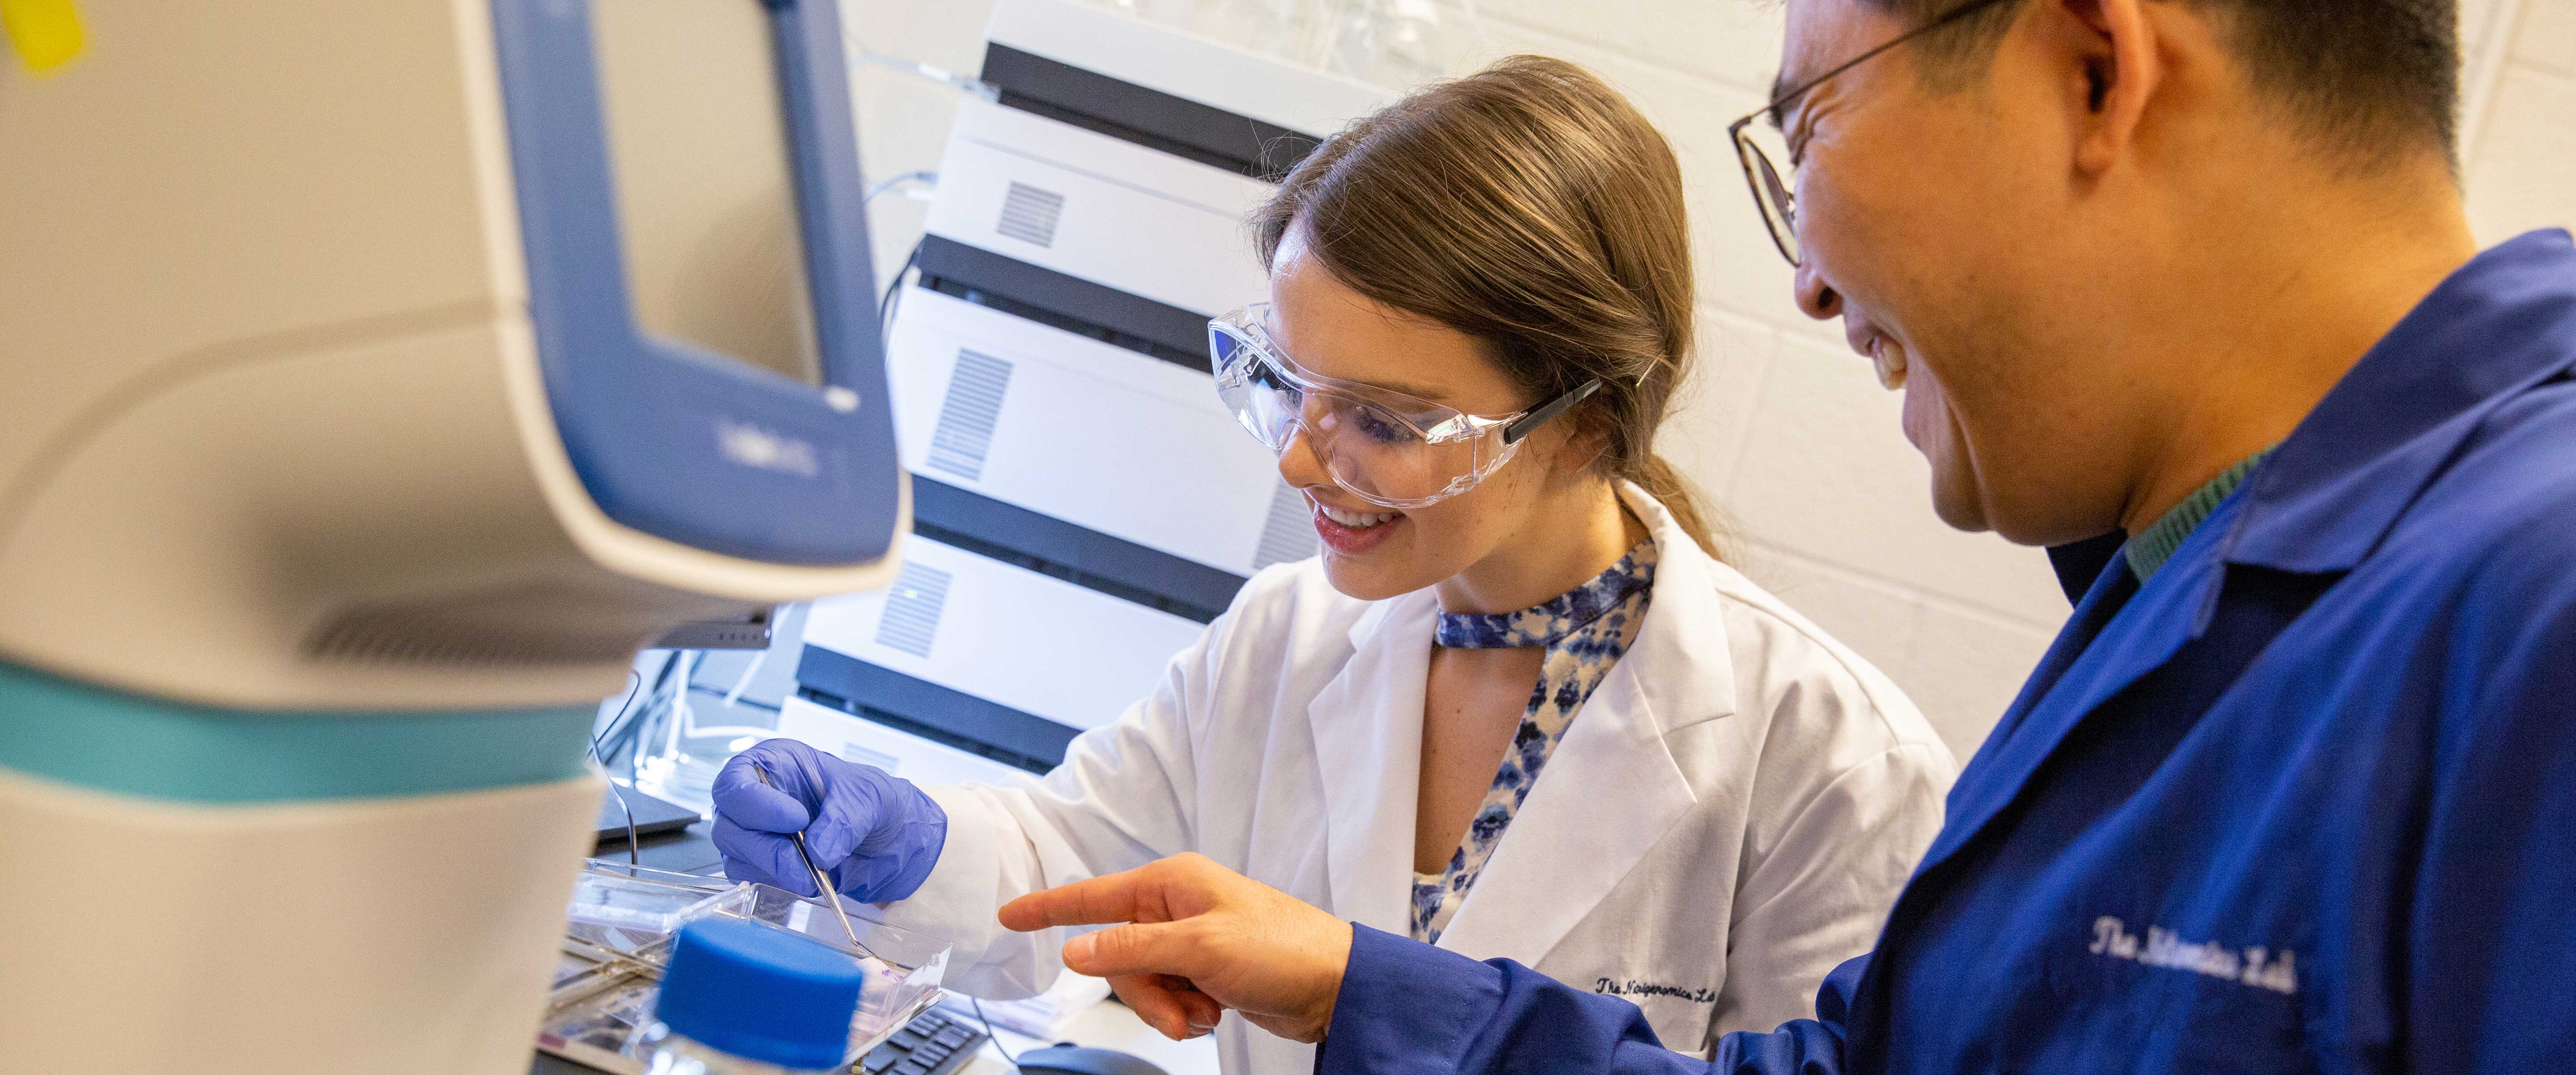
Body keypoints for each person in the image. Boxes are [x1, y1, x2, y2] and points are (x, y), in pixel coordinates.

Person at [993, 0, 2576, 1072]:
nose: (1806, 283)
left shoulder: (2532, 601)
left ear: (2098, 68)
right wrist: (1353, 981)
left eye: (1807, 123)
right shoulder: (2190, 601)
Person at [711, 56, 1955, 1075]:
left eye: (1388, 423)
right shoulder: (1288, 633)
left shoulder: (1833, 763)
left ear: (1584, 418)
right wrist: (915, 841)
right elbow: (1079, 862)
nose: (1302, 465)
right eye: (1290, 388)